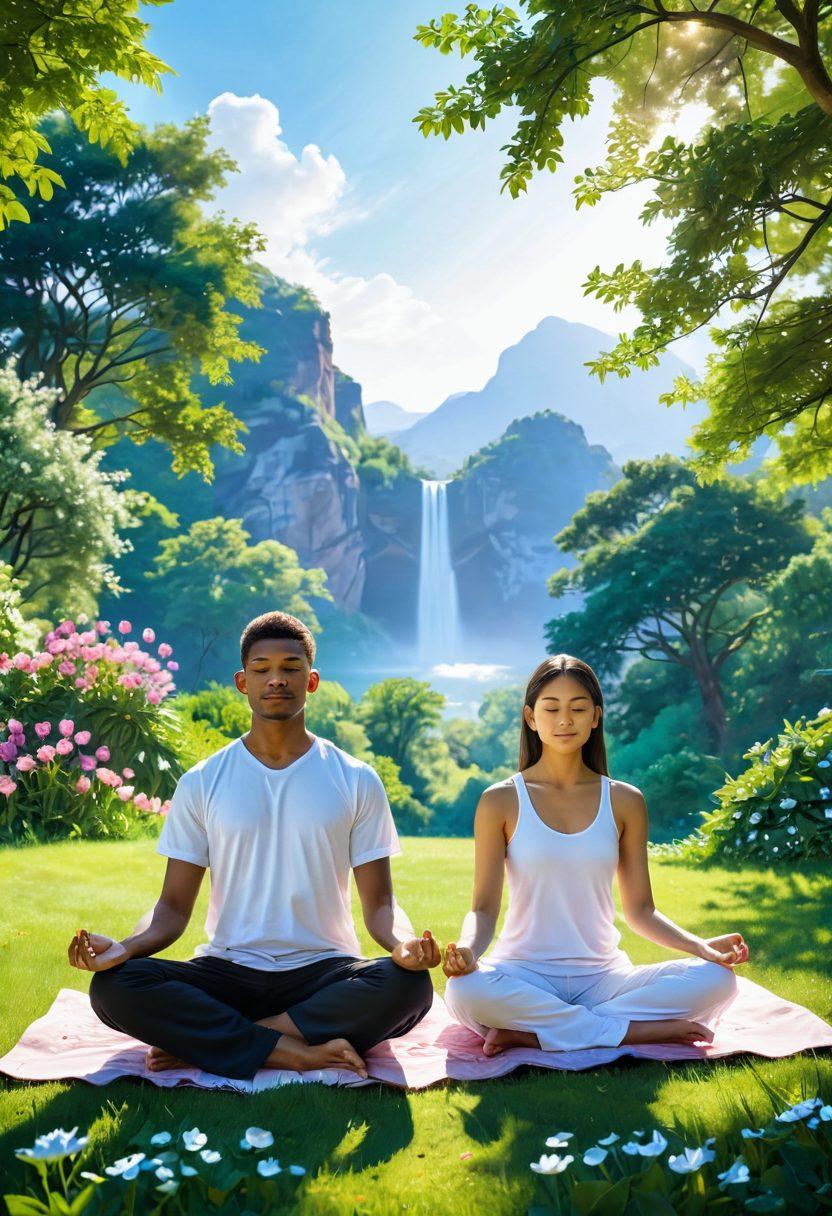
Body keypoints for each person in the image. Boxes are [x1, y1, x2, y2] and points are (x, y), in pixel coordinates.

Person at [68, 611, 439, 1080]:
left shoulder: (356, 779)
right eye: (262, 669)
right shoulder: (203, 781)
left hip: (323, 972)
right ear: (243, 682)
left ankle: (219, 1042)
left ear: (312, 680)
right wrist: (126, 947)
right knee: (116, 987)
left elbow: (381, 904)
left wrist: (404, 945)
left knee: (407, 987)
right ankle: (293, 1049)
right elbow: (172, 908)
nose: (277, 680)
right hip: (228, 970)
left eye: (291, 668)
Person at [442, 654, 746, 1057]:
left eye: (578, 708)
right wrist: (468, 950)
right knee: (464, 990)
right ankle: (631, 1030)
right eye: (551, 708)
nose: (565, 720)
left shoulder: (624, 801)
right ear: (531, 718)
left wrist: (701, 947)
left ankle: (539, 1032)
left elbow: (641, 911)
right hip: (523, 972)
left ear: (596, 717)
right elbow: (482, 908)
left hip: (605, 976)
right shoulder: (500, 800)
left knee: (719, 981)